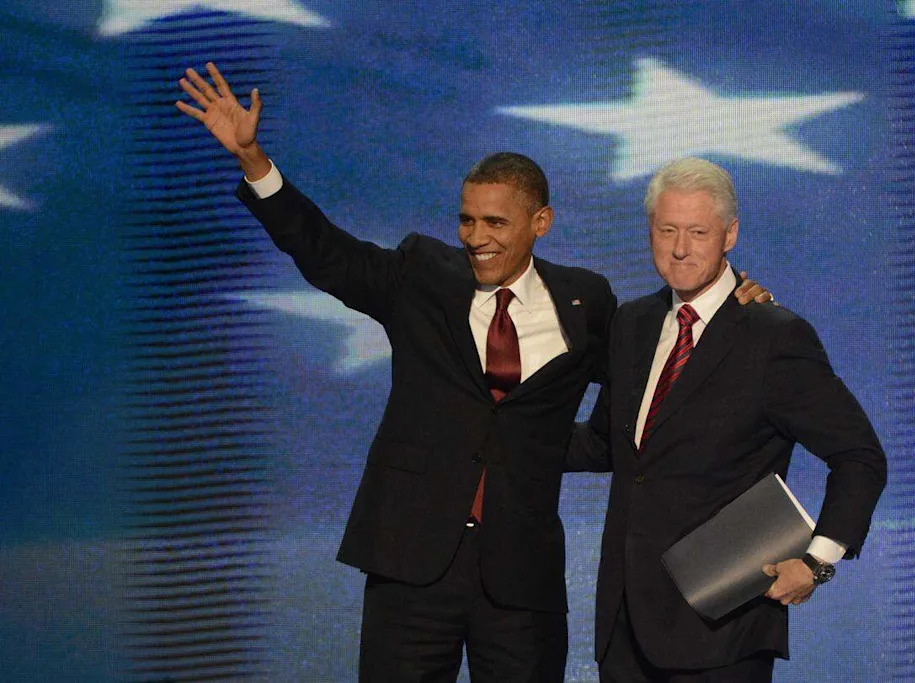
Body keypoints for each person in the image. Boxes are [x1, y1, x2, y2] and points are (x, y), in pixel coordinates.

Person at [175, 65, 768, 681]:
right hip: (410, 563)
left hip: (520, 579)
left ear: (541, 223)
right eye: (467, 220)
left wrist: (733, 309)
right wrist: (253, 160)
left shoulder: (586, 302)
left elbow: (645, 394)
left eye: (495, 223)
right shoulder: (422, 276)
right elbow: (327, 253)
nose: (475, 238)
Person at [567, 157, 887, 682]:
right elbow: (608, 445)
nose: (679, 248)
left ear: (730, 234)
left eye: (697, 231)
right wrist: (501, 431)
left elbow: (859, 458)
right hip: (626, 629)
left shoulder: (773, 335)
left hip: (723, 627)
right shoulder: (632, 323)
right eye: (666, 230)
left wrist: (816, 562)